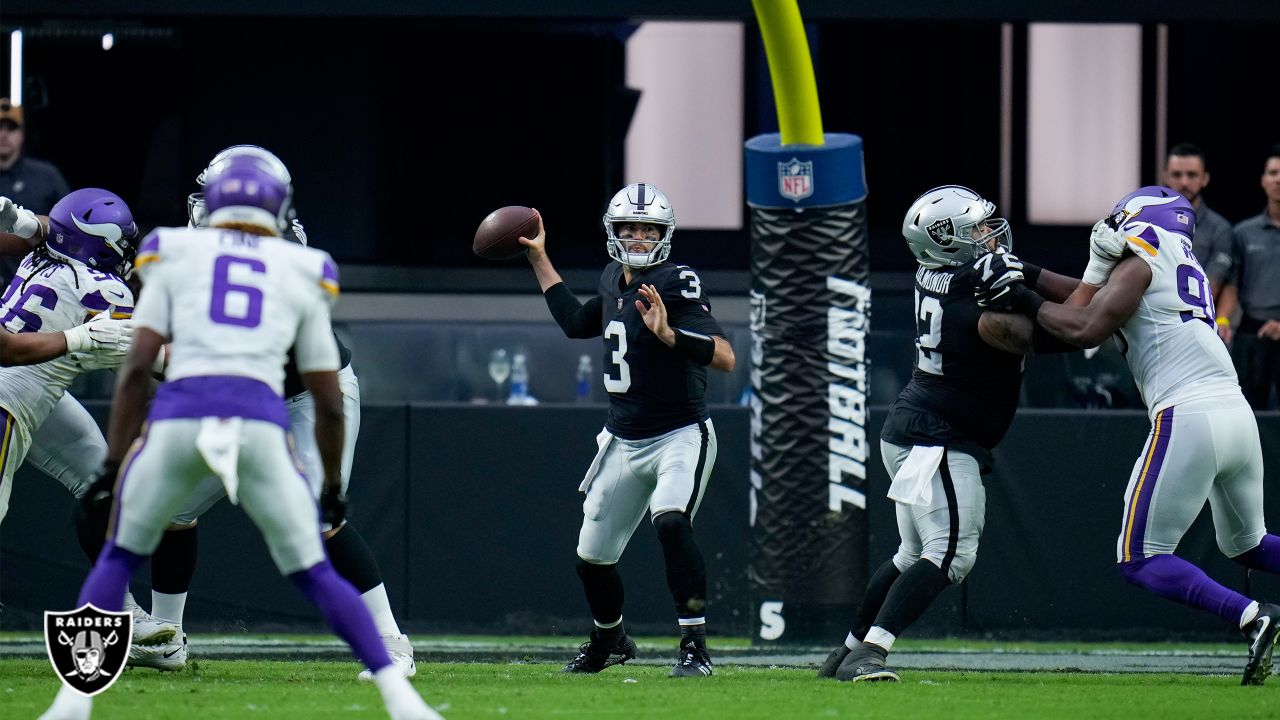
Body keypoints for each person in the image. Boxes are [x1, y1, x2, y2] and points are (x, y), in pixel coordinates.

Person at [39, 155, 440, 720]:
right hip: (260, 408)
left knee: (124, 545)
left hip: (274, 399)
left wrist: (112, 462)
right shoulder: (303, 265)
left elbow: (136, 367)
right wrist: (327, 480)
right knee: (266, 537)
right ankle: (170, 638)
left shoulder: (172, 251)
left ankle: (393, 641)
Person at [985, 185, 1280, 686]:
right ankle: (1256, 615)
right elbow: (1089, 296)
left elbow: (1083, 327)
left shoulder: (1144, 257)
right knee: (1248, 543)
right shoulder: (1176, 262)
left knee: (1140, 558)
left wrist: (1021, 295)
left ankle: (1253, 617)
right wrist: (1029, 275)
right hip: (1236, 412)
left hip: (1187, 413)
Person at [817, 185, 1080, 683]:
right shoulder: (972, 287)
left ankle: (845, 653)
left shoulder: (936, 273)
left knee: (912, 554)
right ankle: (870, 654)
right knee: (952, 552)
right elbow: (1062, 328)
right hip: (938, 436)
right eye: (977, 228)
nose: (989, 234)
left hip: (912, 427)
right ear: (947, 238)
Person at [520, 183, 734, 677]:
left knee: (672, 521)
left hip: (680, 432)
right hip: (623, 436)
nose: (639, 236)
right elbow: (576, 322)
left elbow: (725, 357)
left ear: (665, 233)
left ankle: (694, 647)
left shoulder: (677, 281)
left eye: (649, 228)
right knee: (591, 558)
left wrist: (669, 334)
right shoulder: (613, 278)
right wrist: (539, 258)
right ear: (613, 232)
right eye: (629, 228)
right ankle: (609, 638)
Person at [0, 189, 139, 528]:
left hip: (35, 385)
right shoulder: (107, 290)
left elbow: (50, 230)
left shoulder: (40, 251)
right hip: (9, 399)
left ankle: (112, 584)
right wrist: (76, 339)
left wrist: (22, 220)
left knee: (102, 482)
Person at [1216, 144, 1280, 409]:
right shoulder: (1243, 233)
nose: (1279, 179)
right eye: (1273, 172)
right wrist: (1222, 320)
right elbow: (1232, 284)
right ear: (1263, 180)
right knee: (1249, 413)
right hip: (1251, 334)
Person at [0, 99, 71, 282]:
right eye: (0, 127)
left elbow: (71, 228)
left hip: (38, 287)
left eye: (11, 128)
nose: (4, 135)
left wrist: (22, 223)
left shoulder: (47, 175)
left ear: (22, 134)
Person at [1163, 143, 1235, 321]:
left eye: (1192, 175)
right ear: (1165, 177)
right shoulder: (1146, 222)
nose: (1184, 182)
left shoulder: (1221, 229)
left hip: (1196, 320)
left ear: (1205, 179)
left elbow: (1211, 285)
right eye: (1177, 174)